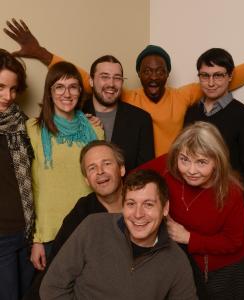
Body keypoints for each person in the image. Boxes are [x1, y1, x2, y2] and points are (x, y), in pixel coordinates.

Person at [3, 18, 244, 156]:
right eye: (146, 70)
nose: (153, 76)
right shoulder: (126, 96)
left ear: (167, 73)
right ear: (138, 75)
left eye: (159, 70)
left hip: (175, 174)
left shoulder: (184, 95)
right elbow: (86, 78)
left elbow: (226, 78)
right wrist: (41, 53)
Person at [138, 122, 244, 299]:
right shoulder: (167, 166)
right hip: (187, 265)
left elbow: (233, 242)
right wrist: (156, 211)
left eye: (201, 162)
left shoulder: (231, 192)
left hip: (227, 271)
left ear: (217, 161)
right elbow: (136, 179)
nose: (191, 170)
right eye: (184, 159)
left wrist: (189, 238)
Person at [40, 169, 198, 300]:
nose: (138, 214)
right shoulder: (93, 227)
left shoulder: (176, 261)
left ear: (165, 208)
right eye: (131, 204)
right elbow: (53, 287)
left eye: (148, 204)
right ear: (123, 206)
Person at [23, 140, 126, 300]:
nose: (100, 171)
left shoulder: (141, 205)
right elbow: (56, 265)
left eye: (106, 163)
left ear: (121, 169)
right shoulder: (82, 213)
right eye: (92, 168)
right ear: (86, 180)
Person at [27, 61, 104, 273]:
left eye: (73, 86)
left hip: (89, 226)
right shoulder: (33, 129)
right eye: (59, 87)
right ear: (49, 92)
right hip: (51, 230)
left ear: (80, 92)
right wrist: (37, 239)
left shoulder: (95, 131)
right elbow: (33, 185)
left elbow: (102, 182)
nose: (67, 93)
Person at [184, 48, 244, 199]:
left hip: (226, 199)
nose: (211, 83)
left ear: (230, 76)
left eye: (218, 75)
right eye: (205, 76)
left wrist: (235, 204)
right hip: (192, 197)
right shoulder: (191, 112)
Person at [0, 49, 34, 300]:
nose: (8, 96)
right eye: (0, 87)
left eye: (12, 89)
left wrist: (86, 122)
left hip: (25, 232)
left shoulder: (24, 124)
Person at [83, 55, 154, 171]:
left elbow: (145, 172)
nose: (111, 84)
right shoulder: (77, 115)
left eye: (117, 78)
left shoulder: (141, 119)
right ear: (91, 81)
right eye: (104, 77)